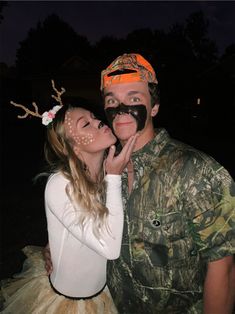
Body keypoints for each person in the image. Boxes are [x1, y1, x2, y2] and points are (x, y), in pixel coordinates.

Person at [44, 54, 235, 313]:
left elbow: (223, 267)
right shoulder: (103, 173)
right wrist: (56, 249)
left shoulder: (198, 171)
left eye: (134, 98)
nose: (121, 108)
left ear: (154, 107)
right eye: (112, 101)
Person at [0, 84, 138, 313]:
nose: (98, 122)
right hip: (66, 303)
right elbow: (110, 249)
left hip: (101, 293)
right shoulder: (60, 185)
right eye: (87, 124)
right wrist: (114, 177)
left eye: (94, 118)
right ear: (71, 148)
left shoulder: (106, 172)